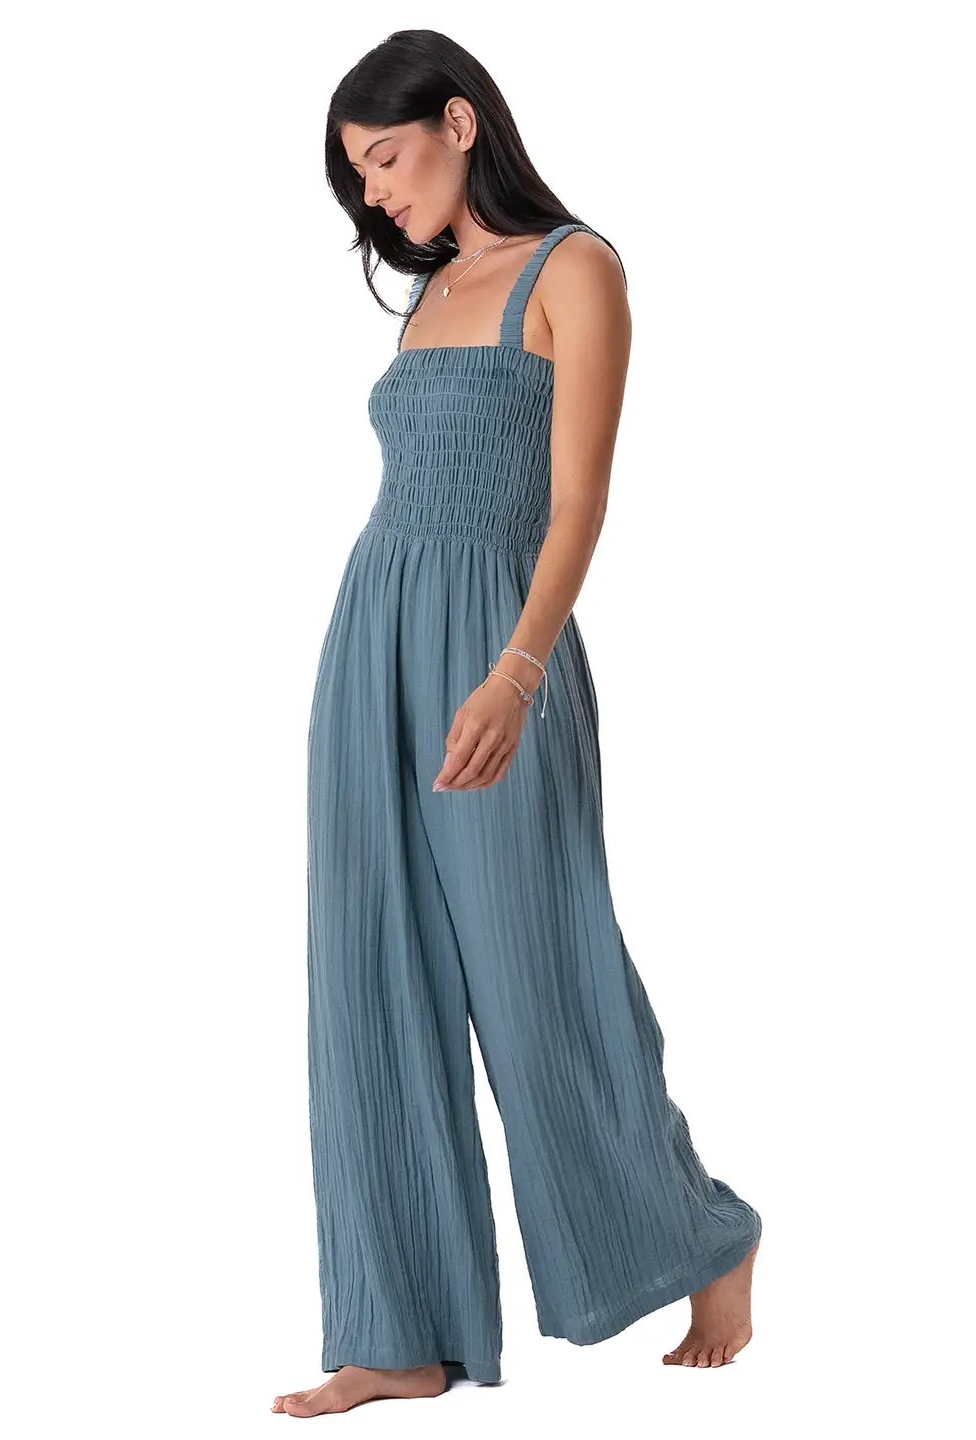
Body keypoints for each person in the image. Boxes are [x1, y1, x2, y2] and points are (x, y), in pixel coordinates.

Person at [274, 30, 762, 1419]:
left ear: (460, 121)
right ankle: (400, 1331)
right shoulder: (427, 296)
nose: (376, 195)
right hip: (371, 640)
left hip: (502, 642)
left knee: (542, 971)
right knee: (368, 978)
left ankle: (705, 1236)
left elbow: (579, 497)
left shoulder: (576, 269)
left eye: (384, 159)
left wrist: (519, 669)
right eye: (358, 180)